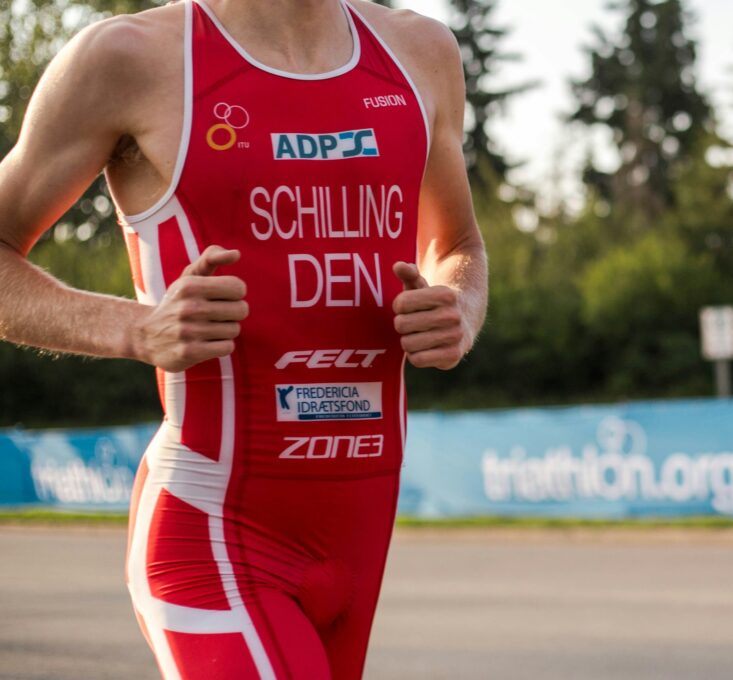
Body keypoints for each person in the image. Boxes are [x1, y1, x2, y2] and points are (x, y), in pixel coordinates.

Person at [0, 0, 487, 677]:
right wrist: (135, 328)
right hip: (213, 534)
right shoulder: (128, 57)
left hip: (361, 538)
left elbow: (457, 243)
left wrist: (458, 304)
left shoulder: (421, 51)